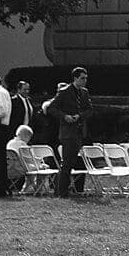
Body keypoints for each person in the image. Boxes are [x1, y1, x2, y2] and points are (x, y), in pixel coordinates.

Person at [50, 69, 93, 198]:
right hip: (68, 132)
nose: (85, 81)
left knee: (75, 161)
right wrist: (65, 116)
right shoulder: (64, 92)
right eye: (82, 78)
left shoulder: (84, 92)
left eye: (86, 78)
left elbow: (90, 110)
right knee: (67, 163)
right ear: (75, 78)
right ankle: (61, 192)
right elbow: (52, 108)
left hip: (79, 131)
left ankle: (72, 189)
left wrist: (79, 116)